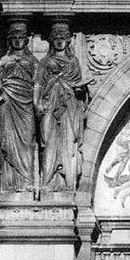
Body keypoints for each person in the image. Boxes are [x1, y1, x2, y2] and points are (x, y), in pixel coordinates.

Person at [34, 20, 89, 194]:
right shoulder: (45, 61)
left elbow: (79, 87)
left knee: (68, 142)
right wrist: (36, 103)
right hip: (50, 105)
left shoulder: (73, 62)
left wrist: (80, 89)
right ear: (52, 41)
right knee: (49, 142)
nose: (59, 41)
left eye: (62, 38)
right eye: (56, 38)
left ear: (67, 40)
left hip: (69, 107)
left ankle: (66, 180)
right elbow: (38, 84)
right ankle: (49, 180)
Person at [0, 19, 37, 194]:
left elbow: (39, 83)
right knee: (7, 140)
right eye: (14, 38)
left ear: (26, 41)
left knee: (27, 142)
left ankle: (27, 180)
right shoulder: (4, 60)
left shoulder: (34, 61)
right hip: (7, 102)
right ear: (9, 41)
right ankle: (11, 183)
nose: (17, 41)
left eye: (21, 37)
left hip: (26, 104)